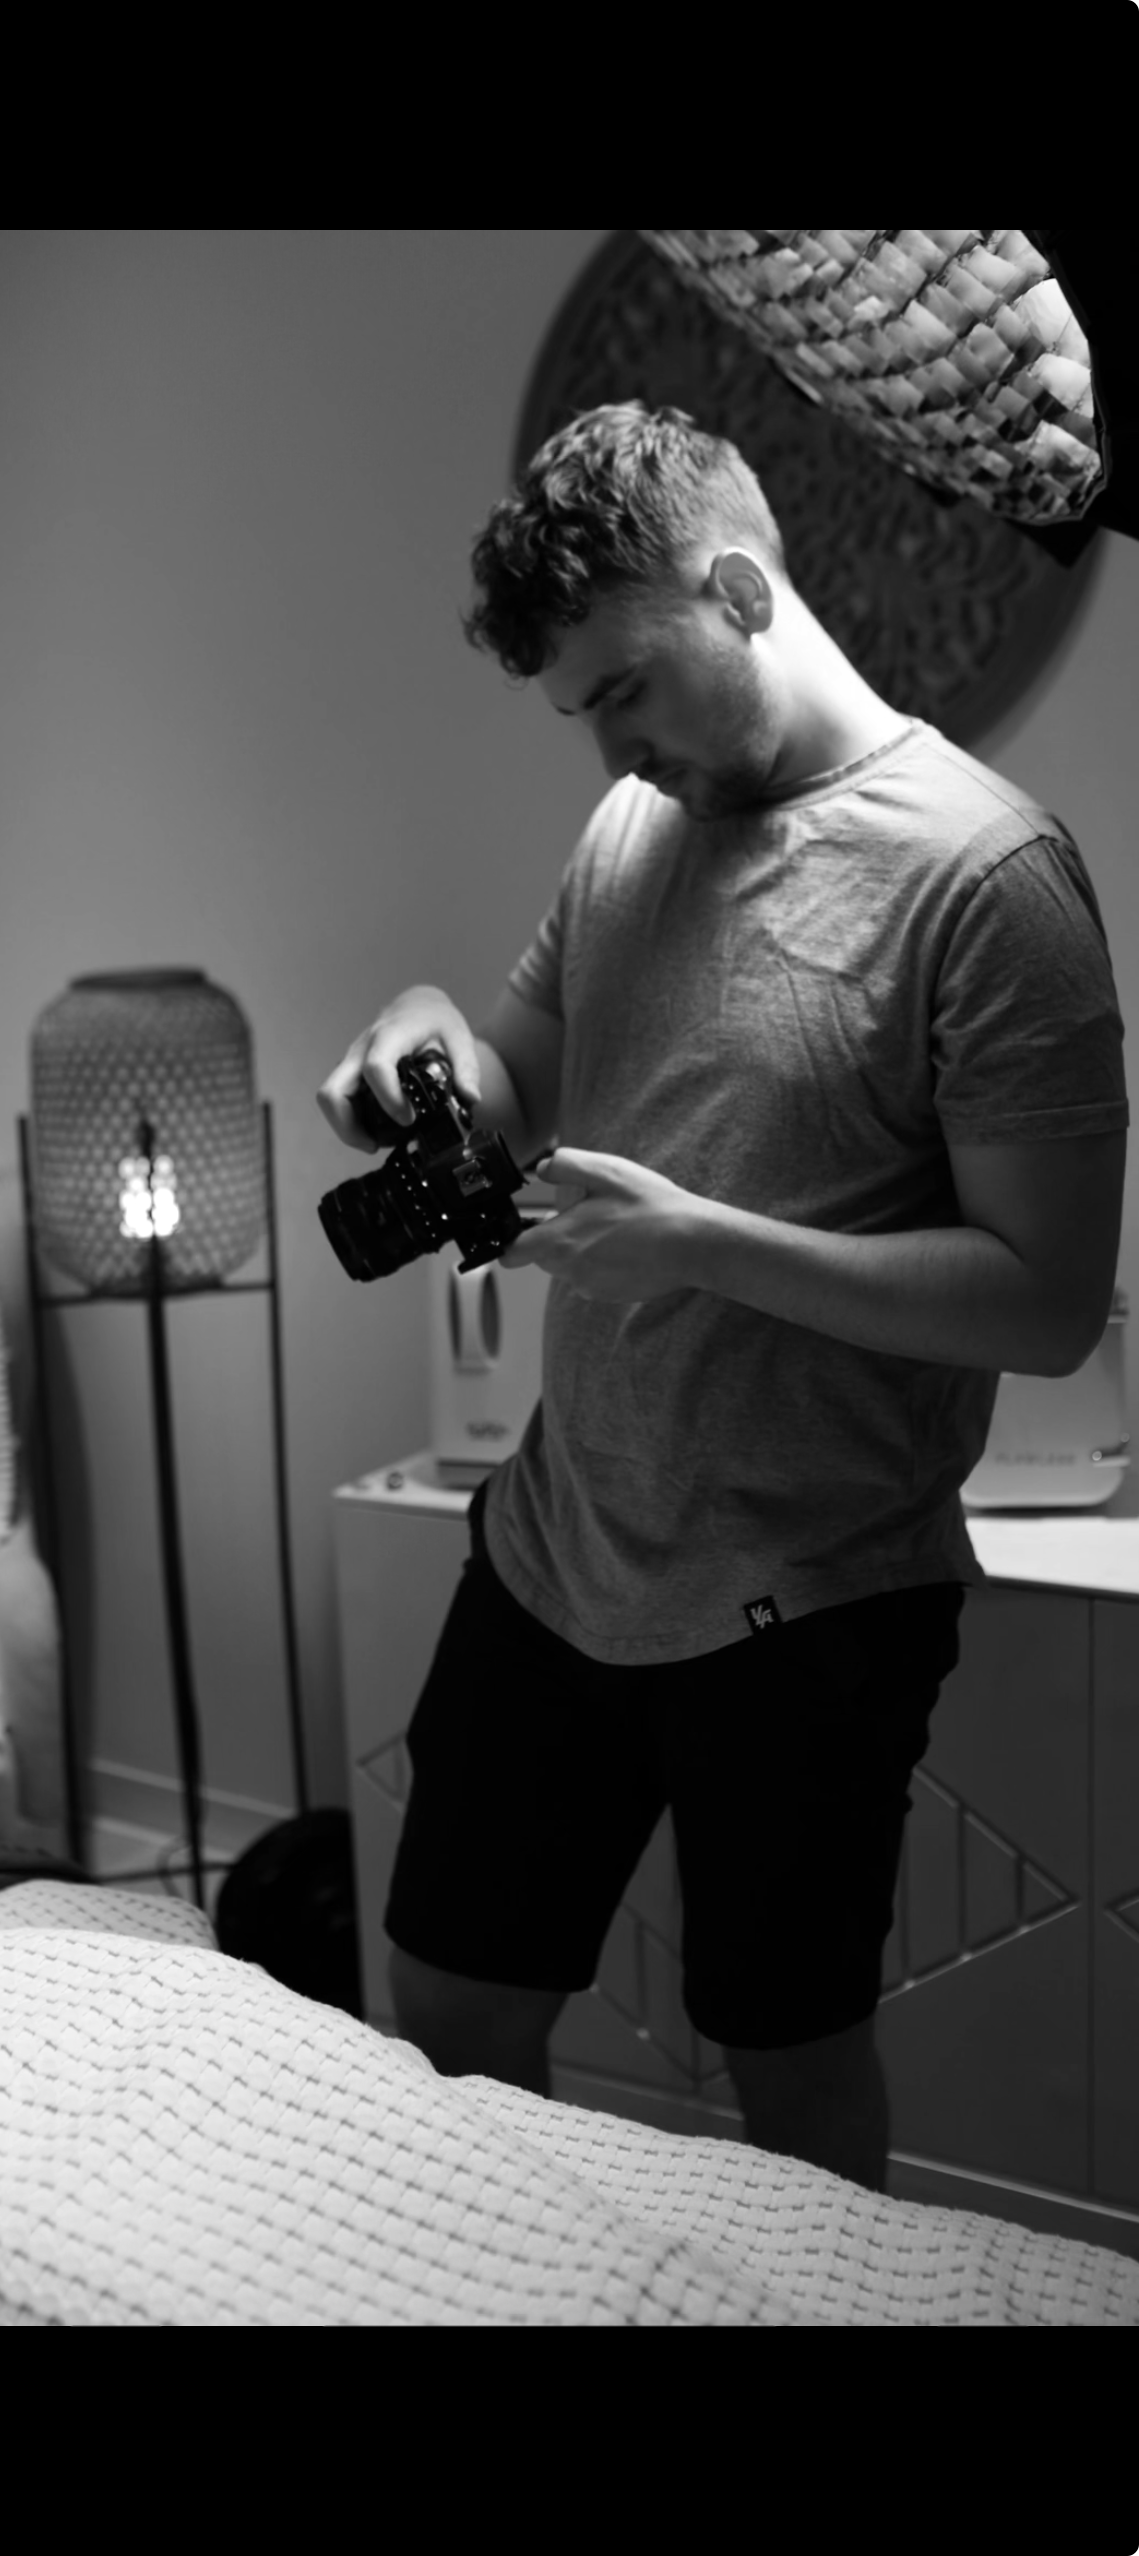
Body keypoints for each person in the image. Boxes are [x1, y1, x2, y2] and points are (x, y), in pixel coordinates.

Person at [317, 403, 1128, 2194]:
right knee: (448, 2016)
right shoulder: (624, 832)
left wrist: (703, 1245)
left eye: (623, 686)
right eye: (581, 710)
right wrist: (417, 1040)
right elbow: (512, 1076)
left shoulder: (989, 880)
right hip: (553, 1553)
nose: (607, 741)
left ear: (742, 588)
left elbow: (1045, 1303)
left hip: (809, 1604)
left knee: (791, 2073)